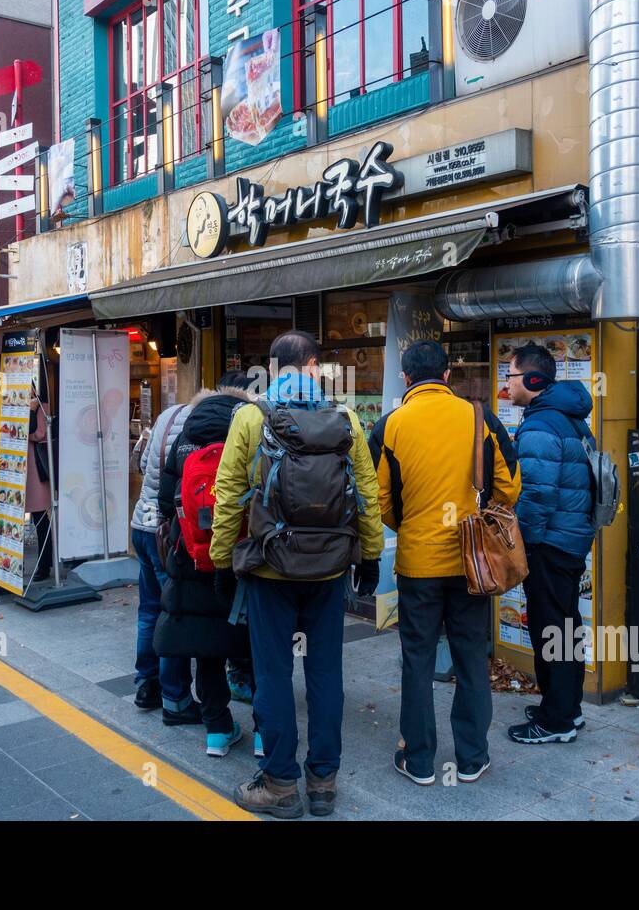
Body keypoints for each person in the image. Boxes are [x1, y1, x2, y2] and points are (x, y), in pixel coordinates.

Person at [211, 330, 383, 819]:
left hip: (271, 567)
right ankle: (324, 783)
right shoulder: (344, 418)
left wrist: (223, 561)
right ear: (311, 366)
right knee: (326, 672)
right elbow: (366, 496)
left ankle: (281, 784)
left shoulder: (250, 416)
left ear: (273, 367)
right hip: (329, 570)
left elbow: (227, 498)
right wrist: (369, 557)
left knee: (272, 674)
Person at [369, 339, 520, 785]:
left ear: (406, 379)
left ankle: (418, 760)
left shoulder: (390, 425)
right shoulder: (480, 417)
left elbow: (380, 501)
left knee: (416, 660)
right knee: (471, 655)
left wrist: (412, 523)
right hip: (474, 564)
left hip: (417, 564)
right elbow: (510, 487)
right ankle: (473, 757)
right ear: (448, 376)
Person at [155, 374, 257, 757]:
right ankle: (265, 732)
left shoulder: (185, 440)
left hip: (194, 559)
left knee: (206, 646)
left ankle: (217, 729)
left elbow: (166, 502)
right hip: (245, 559)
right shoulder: (248, 434)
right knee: (256, 643)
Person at [503, 344, 596, 745]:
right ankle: (565, 708)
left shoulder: (542, 425)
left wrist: (520, 542)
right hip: (570, 538)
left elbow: (537, 495)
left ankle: (555, 721)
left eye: (510, 376)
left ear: (533, 380)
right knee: (565, 623)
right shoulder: (567, 417)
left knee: (550, 627)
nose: (506, 385)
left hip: (550, 542)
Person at [129, 395, 196, 719]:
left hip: (141, 523)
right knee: (173, 611)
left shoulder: (168, 414)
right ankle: (175, 696)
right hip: (165, 532)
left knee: (149, 610)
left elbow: (142, 464)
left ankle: (146, 685)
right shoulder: (203, 424)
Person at [25, 388, 53, 583]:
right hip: (23, 469)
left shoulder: (41, 407)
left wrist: (30, 411)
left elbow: (39, 434)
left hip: (35, 469)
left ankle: (45, 564)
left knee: (41, 517)